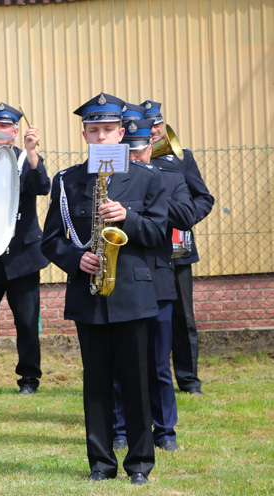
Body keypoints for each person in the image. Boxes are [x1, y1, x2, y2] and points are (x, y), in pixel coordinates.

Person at [41, 92, 168, 486]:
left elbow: (159, 233)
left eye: (108, 130)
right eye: (93, 130)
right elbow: (49, 240)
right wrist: (73, 259)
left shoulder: (148, 177)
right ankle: (100, 462)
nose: (101, 137)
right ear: (84, 134)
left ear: (121, 132)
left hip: (132, 291)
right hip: (89, 292)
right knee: (95, 382)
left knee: (137, 381)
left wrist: (127, 216)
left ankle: (140, 463)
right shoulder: (66, 180)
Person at [112, 115, 197, 453]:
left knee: (159, 364)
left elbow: (187, 215)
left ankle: (165, 432)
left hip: (159, 278)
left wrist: (150, 195)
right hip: (123, 278)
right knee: (120, 363)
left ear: (151, 146)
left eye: (140, 149)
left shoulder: (171, 178)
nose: (135, 156)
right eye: (128, 151)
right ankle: (119, 429)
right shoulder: (111, 181)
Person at [0, 103, 50, 396]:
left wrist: (32, 151)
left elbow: (42, 186)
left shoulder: (24, 158)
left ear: (15, 132)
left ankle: (29, 379)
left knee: (27, 322)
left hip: (22, 257)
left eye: (4, 126)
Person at [143, 100, 216, 395]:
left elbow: (203, 198)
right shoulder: (132, 156)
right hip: (145, 249)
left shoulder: (182, 158)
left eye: (158, 123)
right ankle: (148, 377)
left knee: (184, 318)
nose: (156, 129)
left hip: (177, 251)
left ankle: (188, 380)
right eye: (149, 124)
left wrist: (185, 219)